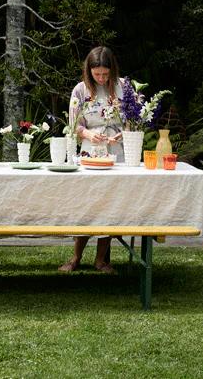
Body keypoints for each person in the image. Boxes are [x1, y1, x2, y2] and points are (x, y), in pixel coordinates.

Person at [58, 46, 125, 274]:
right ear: (89, 71)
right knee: (86, 204)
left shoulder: (123, 87)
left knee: (109, 204)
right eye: (97, 74)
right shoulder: (80, 90)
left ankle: (101, 260)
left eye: (106, 74)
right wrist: (87, 134)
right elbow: (73, 124)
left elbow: (134, 120)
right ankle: (76, 256)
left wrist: (122, 133)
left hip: (116, 150)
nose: (102, 78)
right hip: (90, 150)